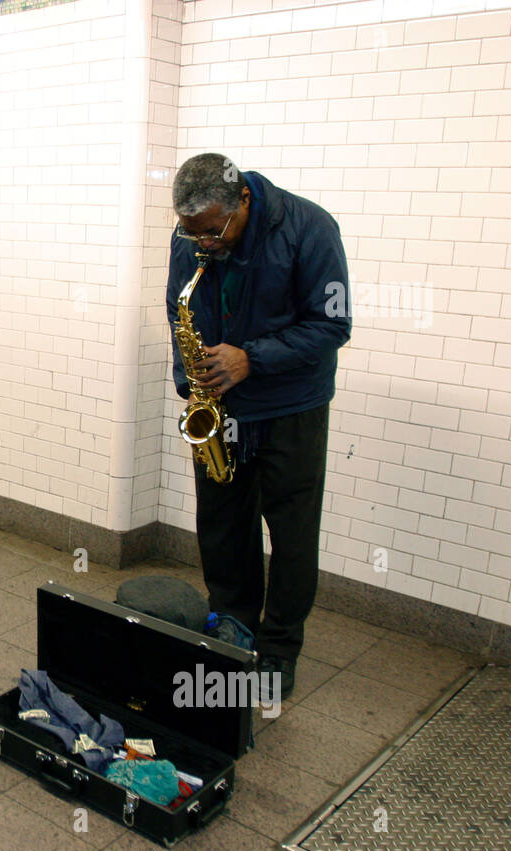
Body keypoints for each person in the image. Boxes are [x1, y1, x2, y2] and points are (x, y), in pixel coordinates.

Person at [166, 153, 351, 702]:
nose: (202, 243)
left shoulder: (310, 228)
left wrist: (254, 358)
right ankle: (234, 624)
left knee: (291, 535)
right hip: (222, 408)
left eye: (211, 231)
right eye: (190, 231)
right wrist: (191, 385)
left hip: (292, 407)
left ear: (243, 199)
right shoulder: (193, 236)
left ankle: (278, 648)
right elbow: (177, 311)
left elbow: (332, 324)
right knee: (222, 526)